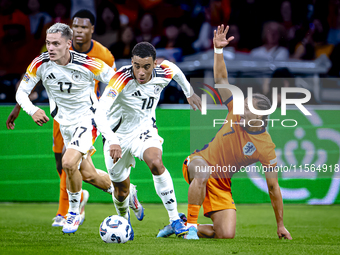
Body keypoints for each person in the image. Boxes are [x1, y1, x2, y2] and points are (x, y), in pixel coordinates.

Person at [6, 10, 143, 228]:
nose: (50, 48)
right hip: (64, 123)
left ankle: (71, 213)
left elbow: (116, 79)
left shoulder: (89, 63)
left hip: (87, 121)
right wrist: (32, 110)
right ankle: (127, 190)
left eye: (56, 44)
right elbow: (21, 92)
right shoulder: (40, 63)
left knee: (68, 162)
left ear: (68, 44)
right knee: (86, 174)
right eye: (48, 43)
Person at [180, 24, 292, 240]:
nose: (243, 109)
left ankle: (181, 224)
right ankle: (191, 228)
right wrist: (218, 51)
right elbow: (221, 81)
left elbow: (273, 187)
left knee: (226, 234)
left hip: (222, 184)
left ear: (260, 117)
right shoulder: (235, 109)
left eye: (249, 108)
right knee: (202, 171)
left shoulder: (265, 147)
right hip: (198, 161)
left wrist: (280, 225)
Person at [94, 42, 202, 237]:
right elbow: (99, 113)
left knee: (155, 162)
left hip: (144, 130)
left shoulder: (164, 71)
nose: (141, 72)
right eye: (137, 66)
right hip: (116, 136)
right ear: (131, 63)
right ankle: (124, 219)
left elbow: (175, 71)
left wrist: (189, 93)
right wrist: (112, 140)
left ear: (154, 64)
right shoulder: (120, 78)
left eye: (146, 66)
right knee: (120, 191)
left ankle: (175, 219)